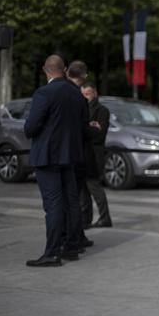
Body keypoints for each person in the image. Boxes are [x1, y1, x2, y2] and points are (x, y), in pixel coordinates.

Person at [23, 55, 87, 266]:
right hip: (70, 157)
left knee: (53, 205)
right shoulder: (76, 93)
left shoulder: (44, 92)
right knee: (71, 202)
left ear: (45, 69)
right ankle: (72, 247)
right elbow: (82, 125)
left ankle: (52, 253)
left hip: (48, 156)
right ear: (65, 69)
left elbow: (31, 127)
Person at [65, 61, 96, 251]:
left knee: (69, 200)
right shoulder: (79, 98)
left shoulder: (57, 92)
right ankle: (75, 238)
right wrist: (92, 129)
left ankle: (74, 237)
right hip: (77, 154)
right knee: (74, 199)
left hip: (63, 153)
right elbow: (83, 129)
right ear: (84, 76)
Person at [80, 81, 112, 228]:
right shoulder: (80, 109)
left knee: (94, 186)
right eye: (83, 94)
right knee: (84, 190)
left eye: (88, 94)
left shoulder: (102, 111)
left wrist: (87, 130)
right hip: (83, 154)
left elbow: (100, 134)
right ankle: (86, 219)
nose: (85, 97)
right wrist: (90, 128)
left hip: (94, 154)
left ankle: (105, 218)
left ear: (95, 93)